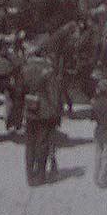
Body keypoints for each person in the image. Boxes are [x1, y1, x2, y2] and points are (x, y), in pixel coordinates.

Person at [23, 56, 62, 186]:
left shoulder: (26, 69)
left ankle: (29, 176)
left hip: (30, 110)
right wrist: (56, 113)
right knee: (42, 143)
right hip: (44, 112)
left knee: (30, 144)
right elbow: (53, 95)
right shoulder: (48, 72)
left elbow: (20, 89)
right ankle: (40, 176)